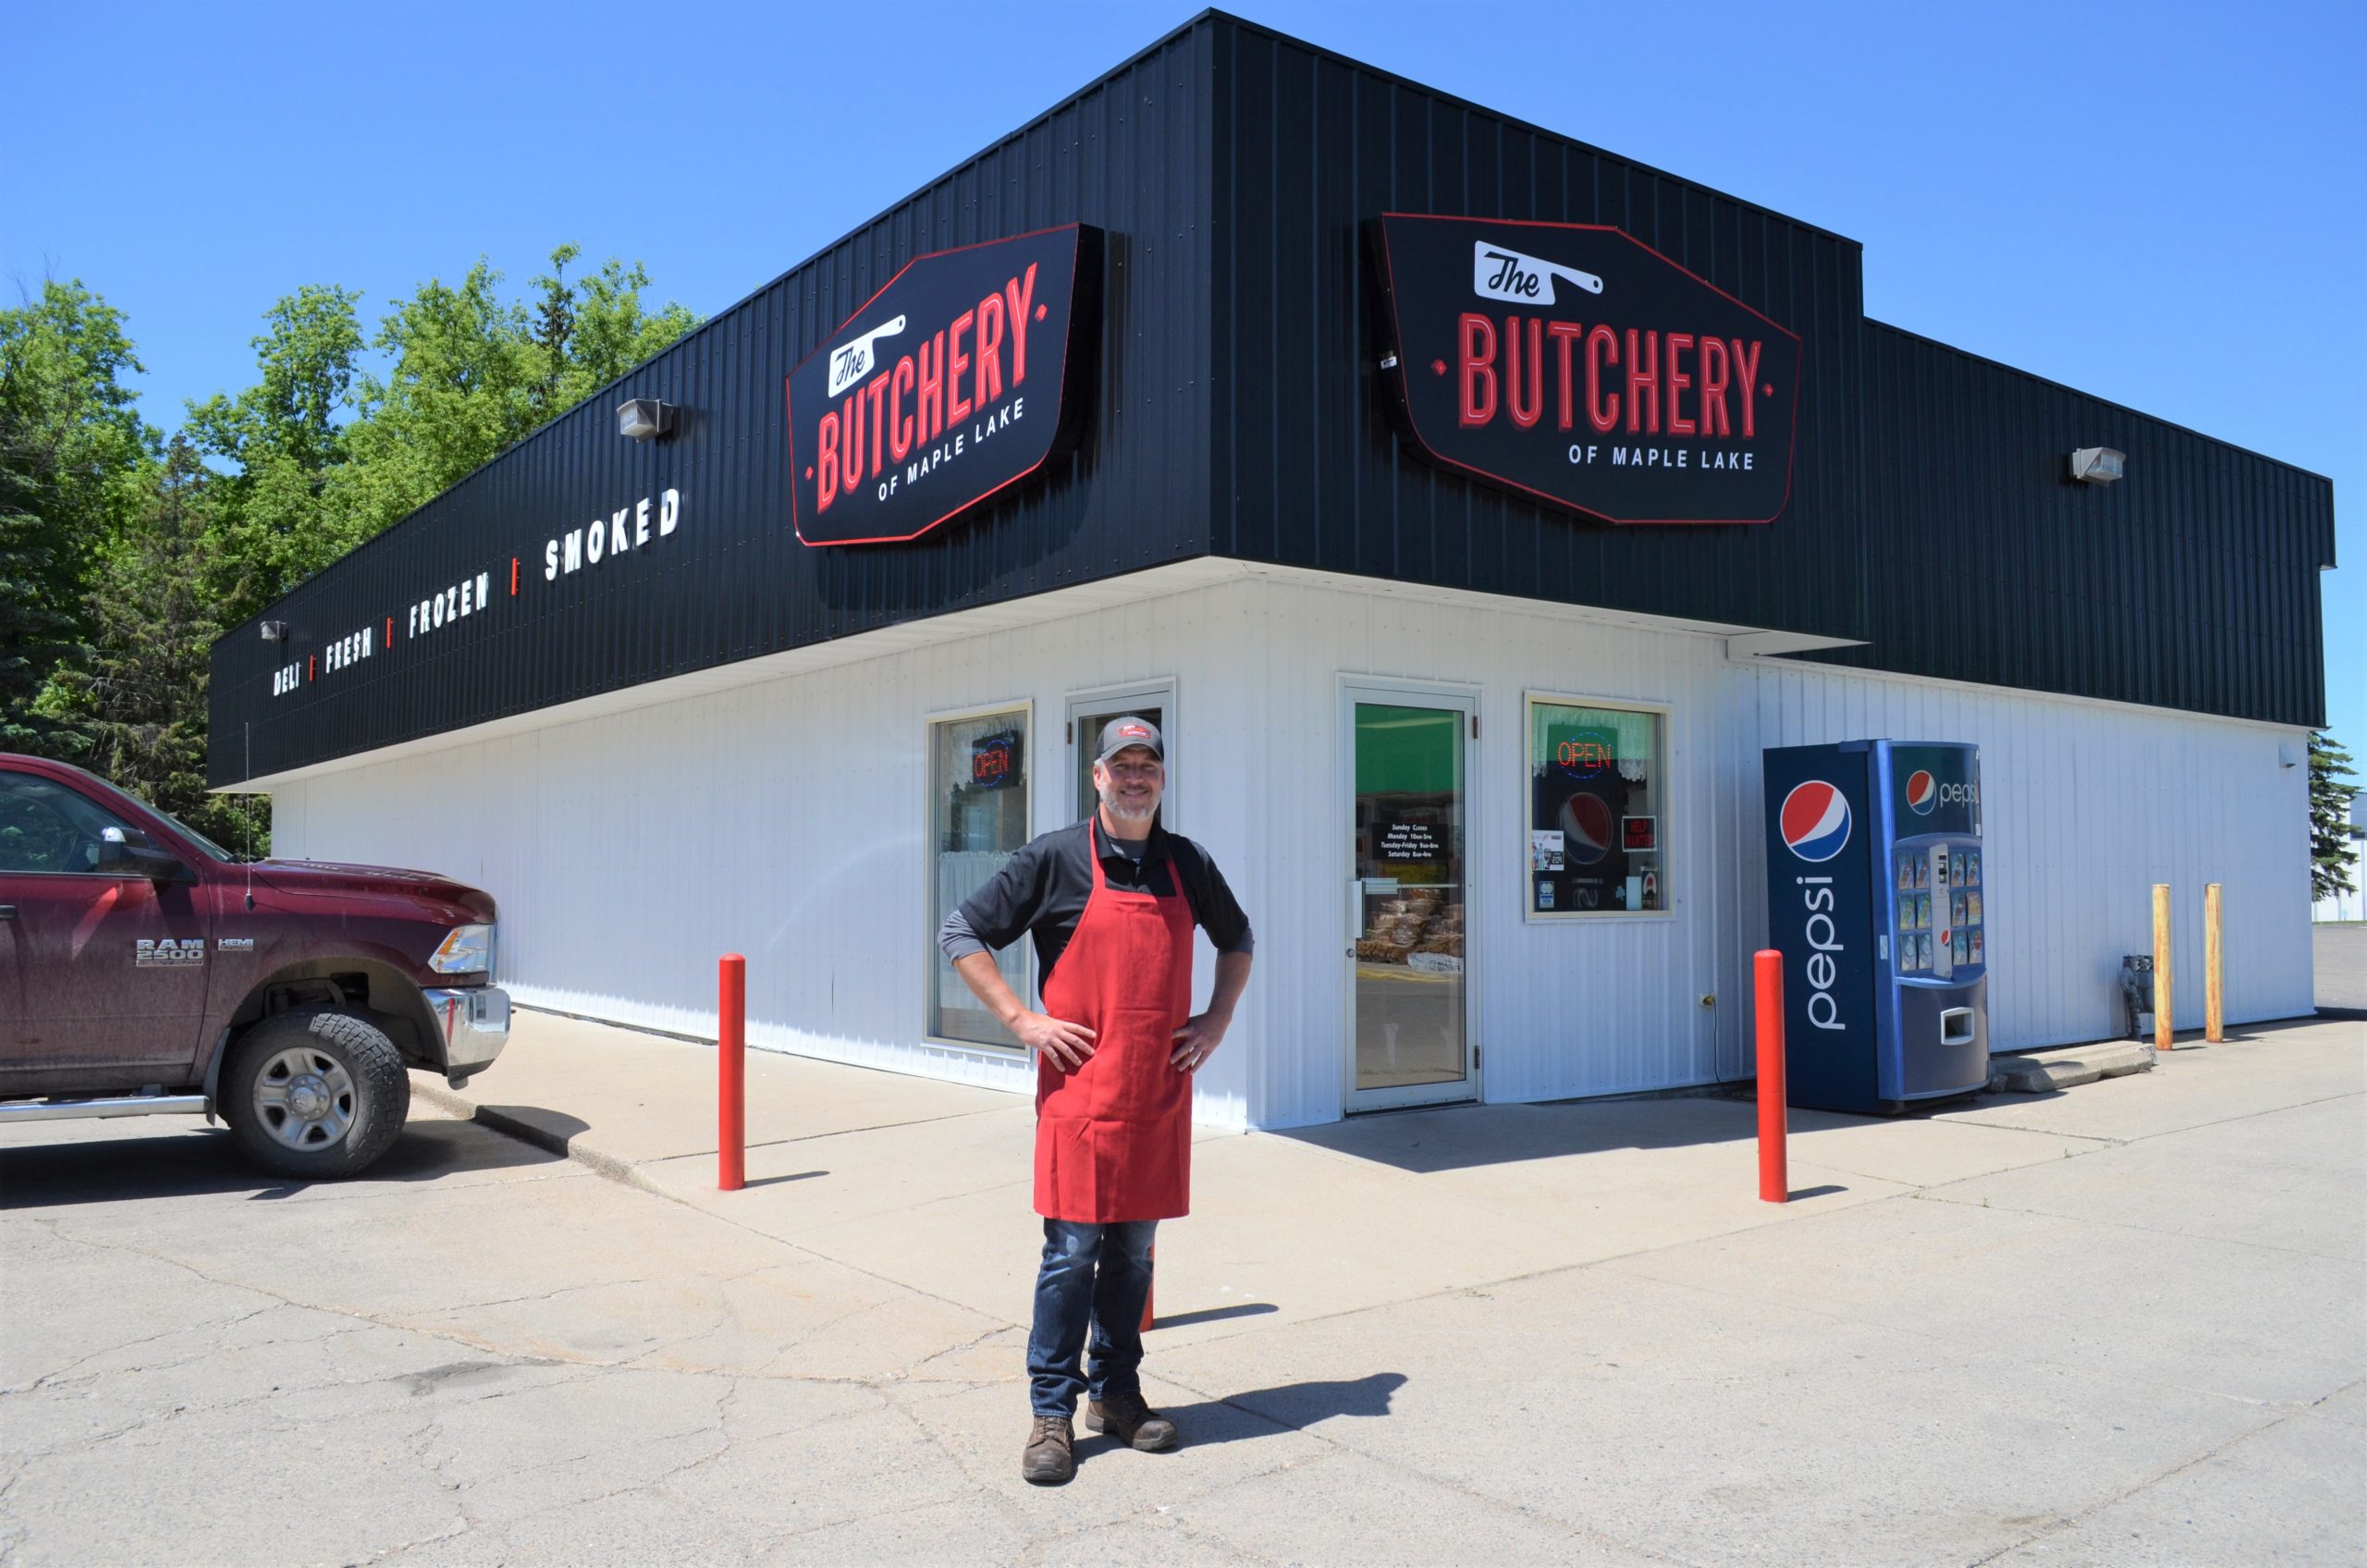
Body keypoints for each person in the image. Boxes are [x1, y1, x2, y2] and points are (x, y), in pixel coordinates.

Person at [938, 716, 1253, 1486]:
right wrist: (1022, 1019)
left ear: (1161, 778)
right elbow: (962, 931)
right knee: (1071, 1254)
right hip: (1080, 1098)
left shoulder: (1186, 863)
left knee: (1134, 1254)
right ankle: (1052, 1410)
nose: (1136, 777)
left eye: (1149, 765)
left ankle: (1115, 1393)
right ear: (1099, 777)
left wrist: (1216, 1019)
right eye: (1123, 765)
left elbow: (1237, 938)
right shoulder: (1053, 858)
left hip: (1154, 1097)